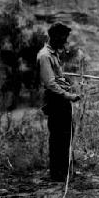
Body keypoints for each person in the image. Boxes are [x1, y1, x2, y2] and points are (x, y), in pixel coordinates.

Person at [37, 23, 80, 182]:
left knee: (66, 135)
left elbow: (58, 78)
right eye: (63, 37)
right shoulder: (44, 56)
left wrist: (67, 83)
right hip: (55, 101)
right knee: (57, 137)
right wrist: (69, 96)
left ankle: (65, 170)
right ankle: (57, 174)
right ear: (55, 37)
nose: (65, 40)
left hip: (61, 100)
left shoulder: (54, 54)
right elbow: (50, 84)